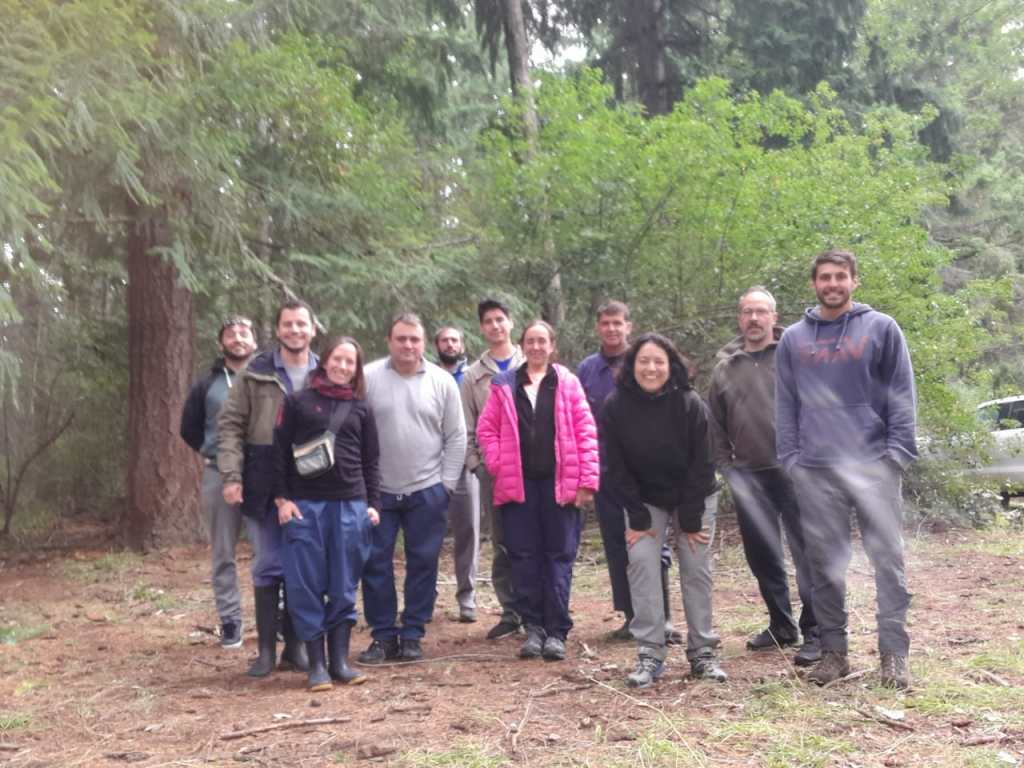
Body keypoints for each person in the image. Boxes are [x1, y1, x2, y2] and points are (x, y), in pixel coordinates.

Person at [775, 249, 917, 689]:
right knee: (824, 566)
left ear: (854, 281)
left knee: (887, 562)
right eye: (824, 277)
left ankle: (893, 655)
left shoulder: (881, 328)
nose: (832, 284)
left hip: (874, 465)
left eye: (840, 276)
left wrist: (897, 453)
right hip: (816, 471)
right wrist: (792, 461)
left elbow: (902, 393)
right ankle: (834, 653)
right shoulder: (794, 339)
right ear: (814, 284)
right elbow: (785, 406)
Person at [601, 333, 726, 688]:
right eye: (644, 361)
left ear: (671, 366)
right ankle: (650, 653)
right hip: (644, 500)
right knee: (641, 562)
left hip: (694, 496)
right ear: (632, 366)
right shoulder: (615, 406)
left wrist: (689, 519)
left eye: (659, 361)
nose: (651, 368)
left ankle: (702, 653)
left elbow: (703, 464)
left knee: (694, 566)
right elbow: (616, 467)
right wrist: (637, 517)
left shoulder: (690, 404)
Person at [708, 287, 820, 666]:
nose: (753, 319)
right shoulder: (725, 365)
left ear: (773, 316)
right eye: (747, 312)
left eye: (760, 312)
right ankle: (781, 625)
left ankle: (816, 630)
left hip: (794, 471)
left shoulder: (795, 355)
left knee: (806, 552)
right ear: (739, 318)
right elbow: (715, 422)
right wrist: (726, 466)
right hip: (748, 476)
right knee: (763, 555)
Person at [476, 320, 598, 661]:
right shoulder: (504, 385)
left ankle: (557, 630)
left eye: (542, 341)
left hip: (561, 487)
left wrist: (587, 482)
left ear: (552, 345)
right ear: (523, 345)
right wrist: (498, 462)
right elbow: (486, 429)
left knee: (559, 557)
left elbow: (586, 432)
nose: (536, 347)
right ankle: (533, 628)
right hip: (519, 487)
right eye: (530, 341)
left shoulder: (567, 383)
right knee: (524, 557)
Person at [272, 336, 381, 691]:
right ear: (325, 361)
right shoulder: (298, 402)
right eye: (338, 359)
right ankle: (316, 665)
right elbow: (278, 455)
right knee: (305, 585)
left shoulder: (362, 408)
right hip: (306, 507)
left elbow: (371, 461)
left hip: (350, 506)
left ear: (356, 369)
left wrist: (372, 504)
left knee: (344, 585)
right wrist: (282, 500)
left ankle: (340, 662)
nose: (343, 367)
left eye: (351, 362)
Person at [359, 313, 468, 663]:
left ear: (424, 344)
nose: (408, 345)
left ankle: (412, 634)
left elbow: (456, 436)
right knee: (375, 563)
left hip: (427, 490)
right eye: (401, 339)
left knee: (423, 562)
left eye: (414, 340)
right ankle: (383, 636)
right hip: (378, 492)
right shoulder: (368, 377)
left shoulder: (441, 381)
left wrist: (446, 485)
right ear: (390, 341)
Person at [218, 299, 318, 677]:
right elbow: (229, 426)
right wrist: (231, 476)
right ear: (278, 330)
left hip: (311, 481)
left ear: (312, 329)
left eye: (301, 324)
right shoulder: (255, 373)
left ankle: (296, 649)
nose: (295, 330)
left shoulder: (324, 371)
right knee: (268, 564)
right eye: (288, 324)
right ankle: (264, 651)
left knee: (302, 566)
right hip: (260, 480)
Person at [577, 301, 681, 645]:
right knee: (616, 545)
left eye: (617, 323)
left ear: (628, 326)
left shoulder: (643, 363)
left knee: (653, 543)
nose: (611, 329)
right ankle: (631, 616)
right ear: (597, 328)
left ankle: (662, 616)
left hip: (645, 474)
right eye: (605, 323)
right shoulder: (587, 370)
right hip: (606, 473)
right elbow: (579, 424)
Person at [180, 315, 257, 649]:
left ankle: (278, 619)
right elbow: (189, 427)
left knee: (268, 551)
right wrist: (210, 451)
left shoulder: (267, 376)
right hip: (218, 474)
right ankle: (230, 622)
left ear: (254, 341)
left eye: (243, 333)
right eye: (230, 334)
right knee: (223, 552)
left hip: (262, 475)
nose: (237, 338)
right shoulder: (206, 384)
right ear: (221, 343)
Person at [461, 298, 526, 639]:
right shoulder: (474, 376)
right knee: (503, 542)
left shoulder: (531, 362)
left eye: (500, 319)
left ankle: (538, 608)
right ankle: (511, 611)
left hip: (534, 470)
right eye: (488, 321)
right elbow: (467, 428)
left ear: (511, 323)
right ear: (482, 328)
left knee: (536, 539)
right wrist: (478, 466)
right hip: (495, 473)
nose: (496, 326)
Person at [435, 326, 480, 623]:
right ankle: (425, 597)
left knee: (468, 532)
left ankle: (467, 597)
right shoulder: (428, 376)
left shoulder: (472, 377)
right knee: (427, 534)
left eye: (455, 340)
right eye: (444, 340)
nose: (450, 345)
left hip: (466, 464)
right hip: (430, 465)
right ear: (436, 345)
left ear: (462, 344)